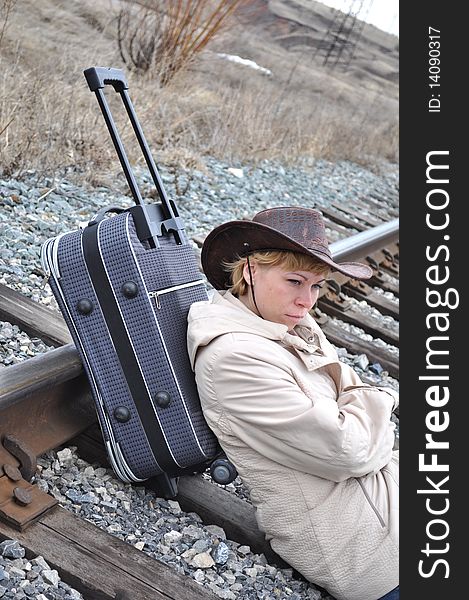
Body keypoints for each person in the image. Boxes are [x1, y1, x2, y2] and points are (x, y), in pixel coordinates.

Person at [186, 207, 399, 600]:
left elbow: (353, 401)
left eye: (317, 286)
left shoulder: (289, 323)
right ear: (249, 271)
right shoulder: (235, 358)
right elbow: (349, 449)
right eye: (294, 281)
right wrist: (381, 401)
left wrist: (362, 415)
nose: (307, 301)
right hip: (369, 549)